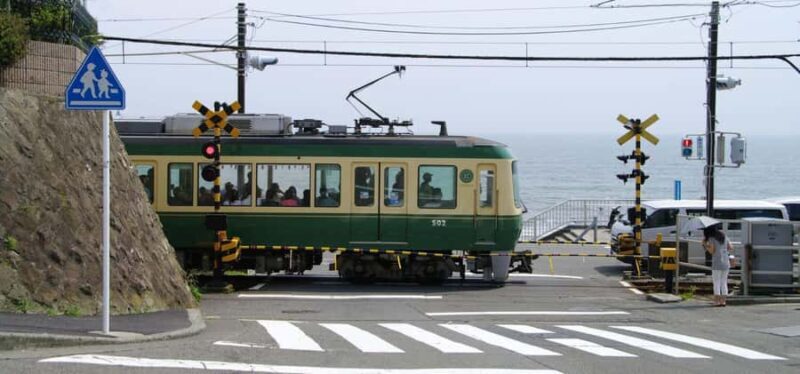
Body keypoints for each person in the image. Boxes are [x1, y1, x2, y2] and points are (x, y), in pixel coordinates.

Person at [703, 224, 733, 307]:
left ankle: (716, 301)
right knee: (724, 282)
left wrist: (705, 245)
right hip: (726, 262)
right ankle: (723, 301)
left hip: (717, 263)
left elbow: (712, 251)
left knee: (716, 282)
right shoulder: (724, 236)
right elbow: (730, 247)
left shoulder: (711, 238)